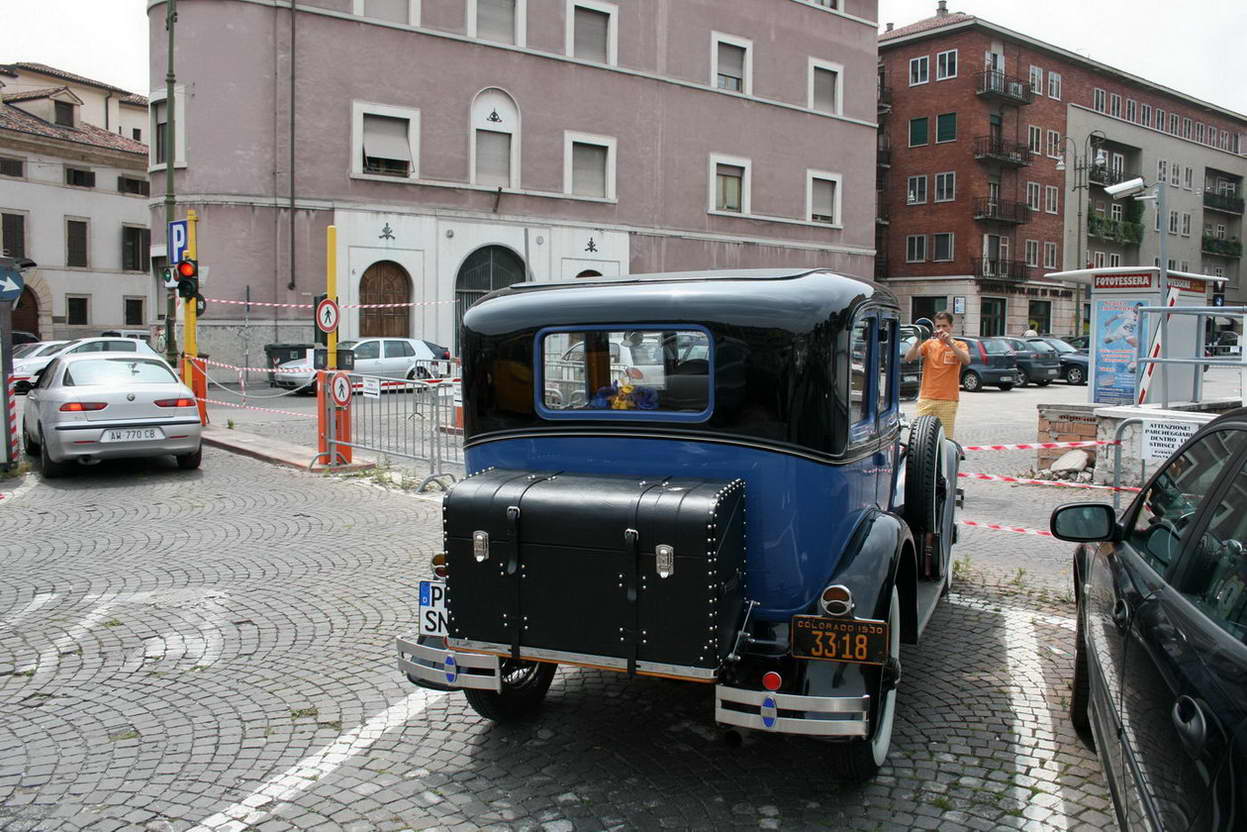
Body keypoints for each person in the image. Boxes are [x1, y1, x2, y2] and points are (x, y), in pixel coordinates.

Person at [904, 310, 971, 439]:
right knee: (921, 436)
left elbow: (966, 360)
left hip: (948, 400)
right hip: (927, 398)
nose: (941, 329)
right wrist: (918, 341)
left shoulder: (959, 344)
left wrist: (950, 343)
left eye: (944, 326)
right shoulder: (929, 344)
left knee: (945, 439)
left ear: (951, 327)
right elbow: (909, 358)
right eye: (938, 326)